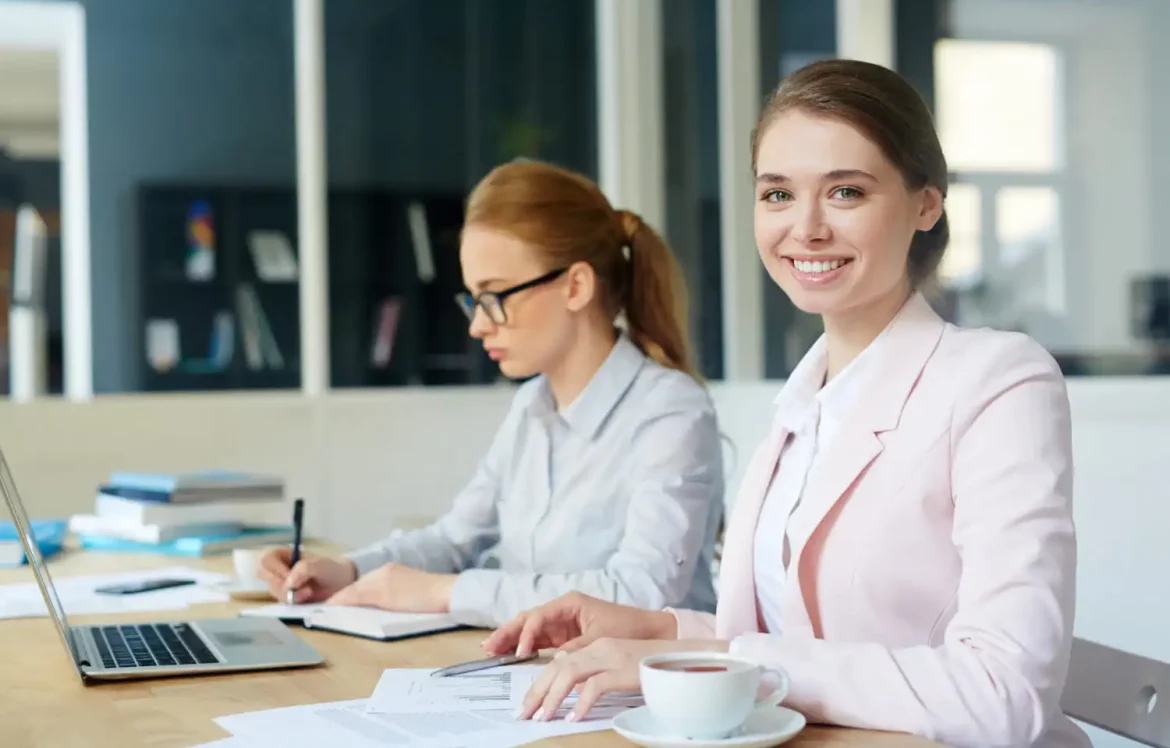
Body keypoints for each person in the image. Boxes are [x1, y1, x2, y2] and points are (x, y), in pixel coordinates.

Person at [482, 60, 1091, 748]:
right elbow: (790, 640)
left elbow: (1003, 695)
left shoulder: (998, 381)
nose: (805, 229)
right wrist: (657, 631)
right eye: (776, 195)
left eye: (846, 192)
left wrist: (723, 657)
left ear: (926, 203)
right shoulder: (805, 402)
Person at [258, 159, 724, 628]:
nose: (478, 326)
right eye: (472, 301)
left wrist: (446, 593)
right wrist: (348, 569)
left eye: (494, 297)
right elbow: (455, 539)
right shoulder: (531, 405)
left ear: (576, 286)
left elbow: (638, 594)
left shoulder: (671, 412)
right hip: (535, 677)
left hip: (640, 692)